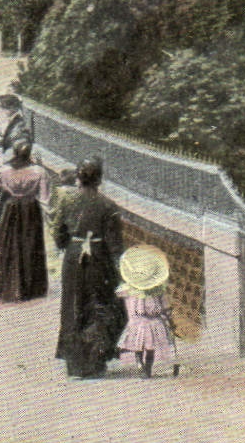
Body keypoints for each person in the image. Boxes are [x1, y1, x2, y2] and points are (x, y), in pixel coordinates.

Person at [54, 158, 125, 378]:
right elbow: (115, 245)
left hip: (74, 257)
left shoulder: (67, 201)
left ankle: (75, 364)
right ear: (100, 179)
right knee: (98, 305)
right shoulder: (108, 206)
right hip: (98, 259)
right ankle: (95, 361)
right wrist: (121, 271)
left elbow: (59, 234)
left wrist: (70, 244)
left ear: (78, 177)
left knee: (73, 306)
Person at [0, 141, 50, 304]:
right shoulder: (39, 171)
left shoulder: (2, 170)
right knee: (29, 244)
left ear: (14, 152)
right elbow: (44, 198)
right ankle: (31, 288)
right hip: (31, 210)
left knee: (8, 243)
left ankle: (9, 286)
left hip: (10, 208)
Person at [117, 245, 178, 379]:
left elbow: (119, 293)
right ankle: (147, 368)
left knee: (138, 346)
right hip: (154, 321)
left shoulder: (130, 288)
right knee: (151, 347)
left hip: (137, 321)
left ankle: (139, 363)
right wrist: (170, 321)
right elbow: (166, 306)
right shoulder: (157, 289)